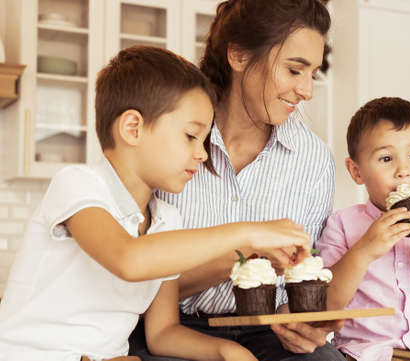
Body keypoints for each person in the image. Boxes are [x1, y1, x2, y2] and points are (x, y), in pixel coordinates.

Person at [0, 46, 312, 361]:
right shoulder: (78, 184)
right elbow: (128, 259)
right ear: (132, 128)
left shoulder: (166, 219)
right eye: (191, 136)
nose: (203, 154)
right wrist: (248, 234)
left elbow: (162, 332)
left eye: (204, 140)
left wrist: (228, 351)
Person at [129, 1, 345, 360]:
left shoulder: (314, 160)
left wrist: (300, 325)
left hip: (267, 330)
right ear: (239, 56)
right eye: (294, 70)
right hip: (174, 329)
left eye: (313, 73)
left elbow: (295, 281)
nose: (307, 90)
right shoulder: (170, 147)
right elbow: (139, 279)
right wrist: (246, 254)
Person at [316, 97, 410, 361]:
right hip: (364, 354)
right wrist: (364, 250)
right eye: (386, 158)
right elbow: (326, 308)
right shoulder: (341, 225)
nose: (404, 170)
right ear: (356, 171)